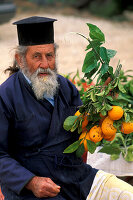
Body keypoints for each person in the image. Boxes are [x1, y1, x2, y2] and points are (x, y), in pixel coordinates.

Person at [0, 16, 132, 200]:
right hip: (34, 188)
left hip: (74, 176)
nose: (45, 64)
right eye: (37, 56)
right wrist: (31, 181)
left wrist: (102, 101)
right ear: (20, 59)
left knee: (127, 194)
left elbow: (80, 127)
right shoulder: (6, 96)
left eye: (50, 56)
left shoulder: (65, 86)